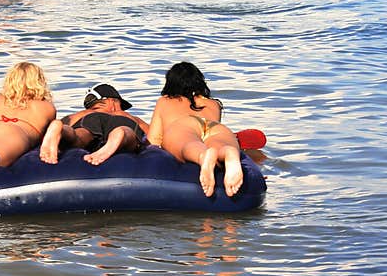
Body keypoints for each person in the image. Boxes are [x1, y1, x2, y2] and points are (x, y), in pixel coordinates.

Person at [148, 62, 243, 197]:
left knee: (188, 144)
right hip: (215, 127)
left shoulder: (164, 101)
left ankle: (202, 156)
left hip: (185, 125)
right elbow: (205, 137)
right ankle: (228, 151)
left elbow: (154, 140)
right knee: (215, 143)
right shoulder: (214, 104)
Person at [39, 83, 149, 165]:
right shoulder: (126, 115)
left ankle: (62, 130)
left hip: (90, 120)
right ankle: (121, 134)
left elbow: (64, 124)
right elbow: (154, 136)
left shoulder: (82, 114)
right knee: (128, 134)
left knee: (80, 134)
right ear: (112, 102)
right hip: (122, 122)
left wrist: (62, 128)